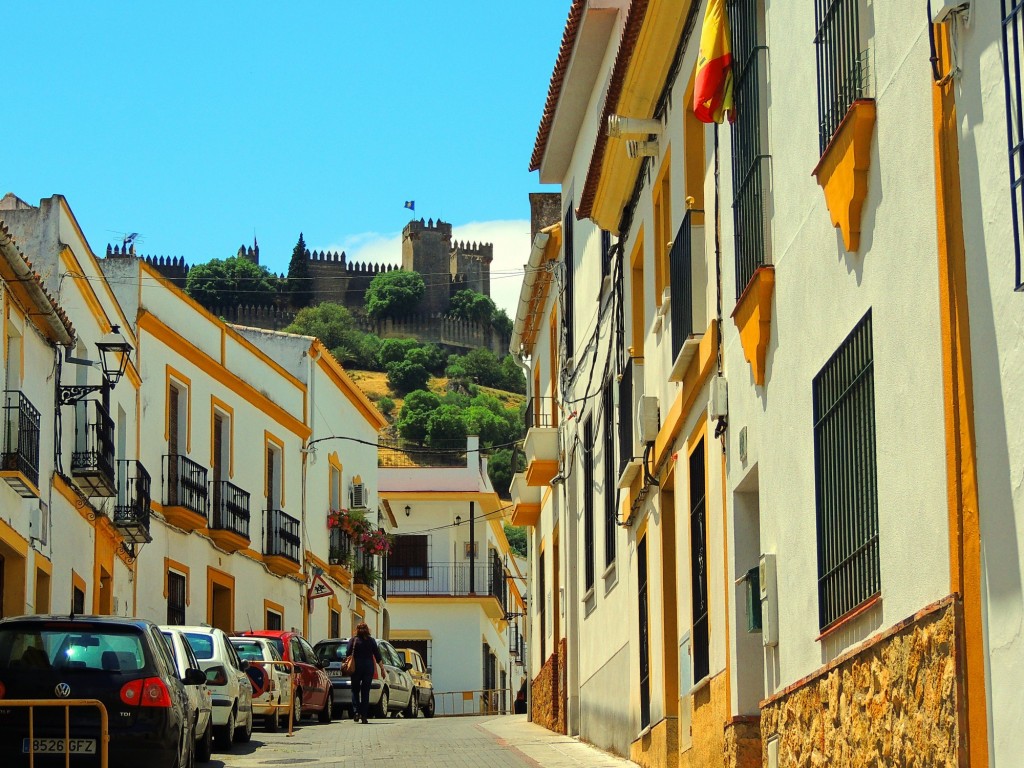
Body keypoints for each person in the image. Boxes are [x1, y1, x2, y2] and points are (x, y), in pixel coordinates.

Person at [345, 622, 383, 724]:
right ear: (367, 630)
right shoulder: (371, 641)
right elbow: (378, 656)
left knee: (355, 690)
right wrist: (382, 669)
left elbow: (347, 652)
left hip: (356, 668)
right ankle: (364, 716)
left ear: (356, 630)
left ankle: (356, 712)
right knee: (365, 692)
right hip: (368, 668)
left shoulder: (353, 640)